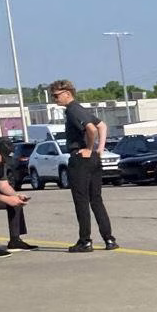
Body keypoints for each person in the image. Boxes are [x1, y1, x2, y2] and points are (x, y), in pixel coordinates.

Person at [50, 79, 118, 252]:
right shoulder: (80, 109)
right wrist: (99, 150)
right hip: (93, 159)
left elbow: (92, 129)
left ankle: (85, 241)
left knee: (81, 200)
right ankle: (109, 239)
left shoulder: (73, 110)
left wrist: (89, 148)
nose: (54, 99)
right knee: (96, 200)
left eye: (56, 95)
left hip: (81, 159)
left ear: (67, 93)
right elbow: (102, 125)